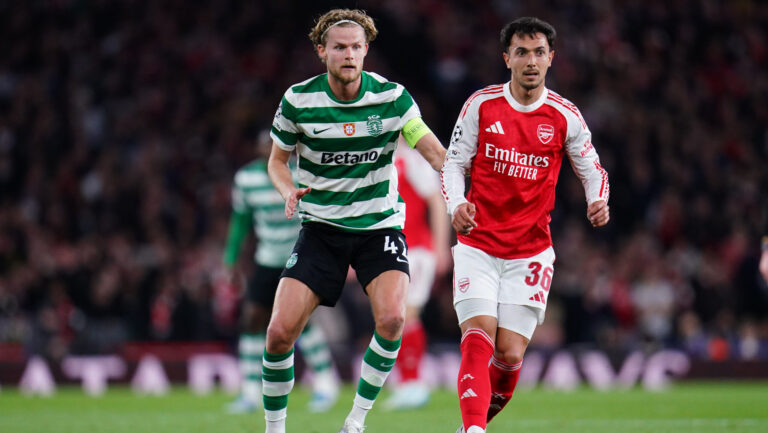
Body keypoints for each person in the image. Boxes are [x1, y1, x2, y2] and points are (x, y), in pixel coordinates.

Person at [265, 8, 446, 433]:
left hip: (378, 228)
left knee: (394, 319)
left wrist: (464, 177)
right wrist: (287, 189)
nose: (348, 54)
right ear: (321, 52)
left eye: (356, 47)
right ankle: (275, 429)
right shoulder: (298, 101)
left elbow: (430, 149)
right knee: (277, 334)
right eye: (340, 47)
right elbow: (277, 162)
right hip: (321, 232)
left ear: (366, 50)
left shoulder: (393, 99)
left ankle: (356, 421)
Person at [440, 17, 610, 433]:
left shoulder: (564, 115)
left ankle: (470, 425)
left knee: (511, 355)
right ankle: (476, 431)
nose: (530, 61)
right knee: (479, 334)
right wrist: (457, 204)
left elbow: (592, 168)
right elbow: (453, 164)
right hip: (477, 244)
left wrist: (597, 199)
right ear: (507, 58)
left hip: (530, 251)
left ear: (551, 58)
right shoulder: (482, 104)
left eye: (538, 53)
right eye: (521, 52)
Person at [222, 130, 339, 414]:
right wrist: (231, 259)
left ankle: (326, 381)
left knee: (302, 321)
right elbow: (241, 221)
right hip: (267, 257)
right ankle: (251, 389)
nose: (269, 150)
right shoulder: (246, 179)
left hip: (299, 256)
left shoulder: (303, 175)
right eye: (265, 146)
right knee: (252, 319)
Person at [384, 140, 451, 410]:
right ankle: (406, 382)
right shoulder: (385, 160)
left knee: (406, 314)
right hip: (394, 249)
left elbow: (436, 201)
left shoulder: (413, 160)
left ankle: (413, 383)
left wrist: (441, 247)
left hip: (417, 250)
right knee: (392, 317)